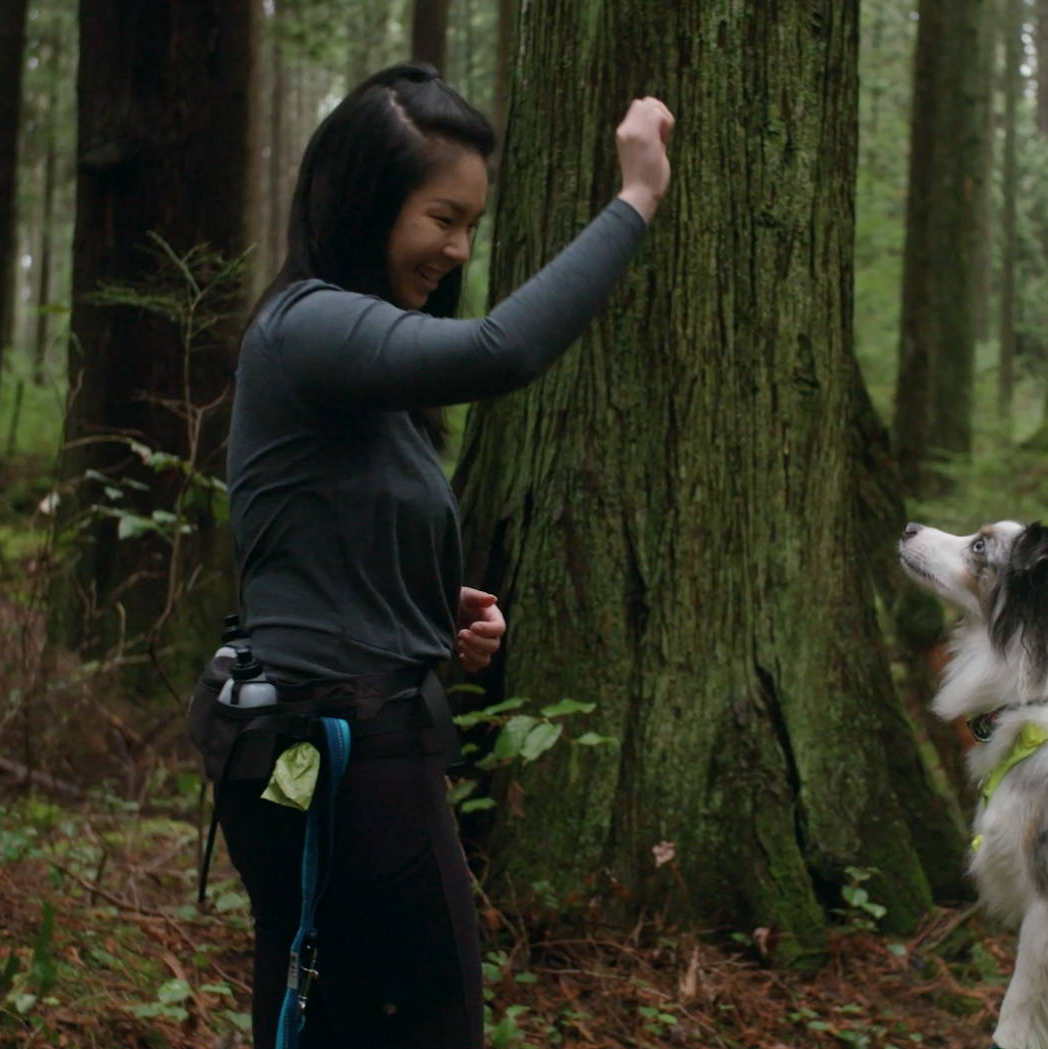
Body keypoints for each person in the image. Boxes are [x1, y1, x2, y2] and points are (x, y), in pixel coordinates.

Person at [216, 63, 673, 1048]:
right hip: (341, 751)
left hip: (348, 735)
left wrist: (426, 609)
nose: (459, 247)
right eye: (441, 216)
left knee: (325, 1021)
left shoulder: (356, 361)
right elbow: (501, 349)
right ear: (368, 200)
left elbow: (318, 529)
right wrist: (635, 198)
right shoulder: (308, 325)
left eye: (471, 222)